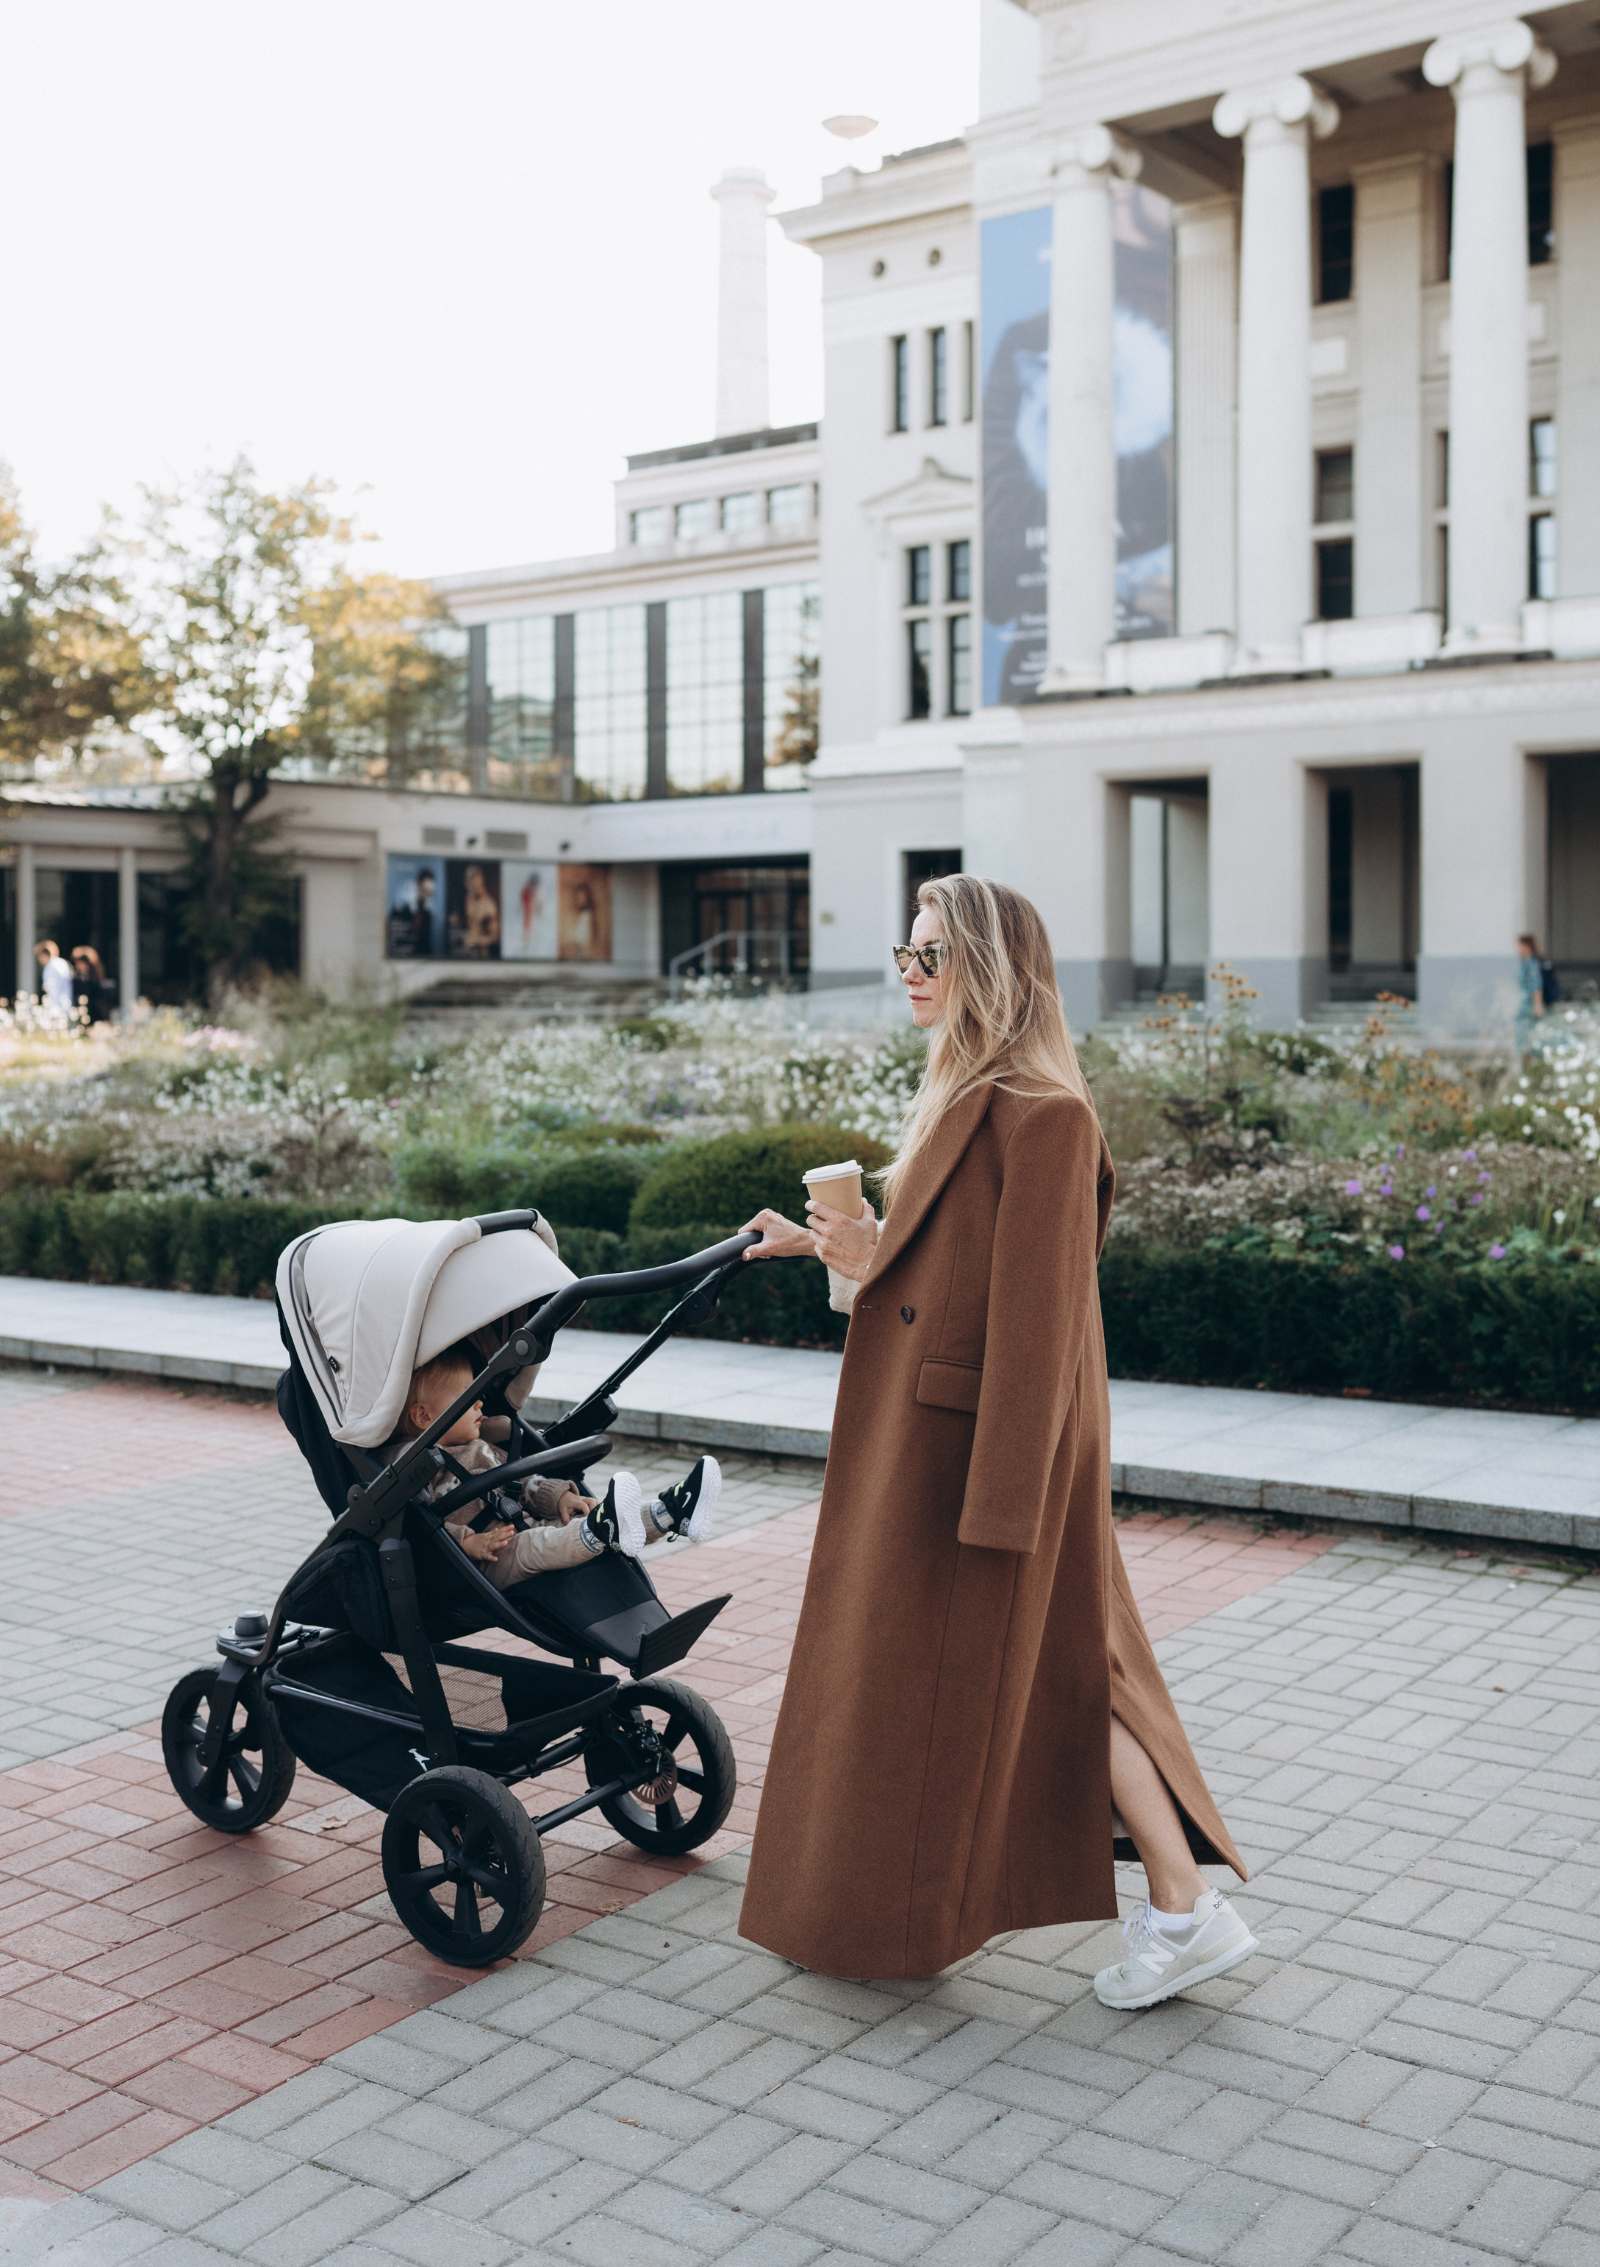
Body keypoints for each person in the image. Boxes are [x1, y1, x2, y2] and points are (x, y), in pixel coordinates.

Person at [737, 874, 1253, 2007]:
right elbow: (925, 1284)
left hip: (983, 1465)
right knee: (1068, 1674)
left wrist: (1001, 1510)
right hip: (928, 1449)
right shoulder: (961, 1093)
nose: (910, 971)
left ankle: (1179, 1909)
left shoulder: (1045, 1114)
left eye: (934, 953)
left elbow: (1040, 1333)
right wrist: (839, 1243)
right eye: (906, 950)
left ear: (993, 966)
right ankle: (1180, 1907)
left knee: (1043, 1675)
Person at [391, 1341, 719, 1589]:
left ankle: (671, 1512)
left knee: (577, 1518)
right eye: (466, 1398)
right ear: (424, 1416)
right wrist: (464, 1542)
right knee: (539, 1544)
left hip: (523, 1526)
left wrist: (561, 1496)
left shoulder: (481, 1447)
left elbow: (524, 1482)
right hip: (485, 1558)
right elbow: (416, 1522)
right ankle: (600, 1531)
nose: (479, 1402)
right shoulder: (417, 1465)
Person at [1515, 932, 1549, 1058]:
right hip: (1526, 1004)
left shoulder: (1531, 963)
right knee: (1526, 1035)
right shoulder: (1525, 963)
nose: (1517, 949)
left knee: (1528, 1035)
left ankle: (1532, 1060)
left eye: (1519, 946)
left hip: (1529, 1005)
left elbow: (1536, 985)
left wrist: (1537, 1004)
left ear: (1526, 946)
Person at [69, 945, 112, 1024]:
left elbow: (101, 1002)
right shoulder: (76, 979)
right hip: (81, 1016)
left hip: (95, 1016)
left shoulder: (96, 981)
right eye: (77, 963)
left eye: (81, 963)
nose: (78, 966)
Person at [34, 940, 74, 1015]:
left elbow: (53, 991)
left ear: (44, 954)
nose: (39, 960)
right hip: (66, 1004)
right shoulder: (62, 963)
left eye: (38, 956)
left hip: (57, 1008)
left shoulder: (50, 967)